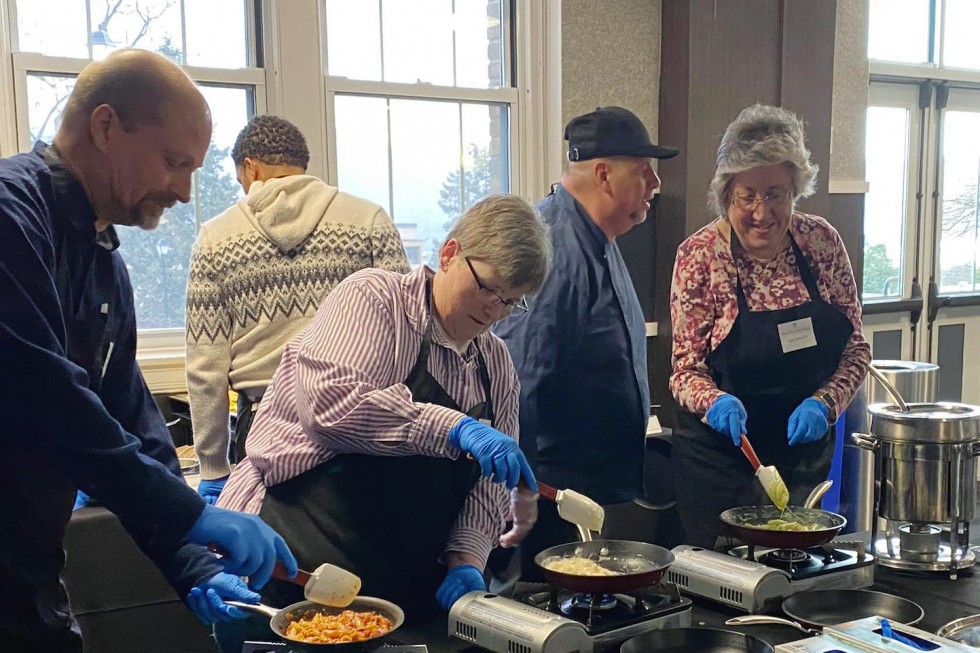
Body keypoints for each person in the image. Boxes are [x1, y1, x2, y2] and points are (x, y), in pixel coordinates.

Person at [0, 49, 298, 653]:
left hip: (26, 576)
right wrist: (188, 513)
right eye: (173, 162)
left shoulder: (103, 260)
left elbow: (131, 420)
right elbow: (46, 396)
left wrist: (193, 563)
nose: (186, 193)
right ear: (106, 126)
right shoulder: (10, 216)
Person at [214, 194, 550, 650]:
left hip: (400, 592)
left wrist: (467, 556)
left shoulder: (496, 367)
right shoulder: (374, 300)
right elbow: (330, 408)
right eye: (488, 287)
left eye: (511, 301)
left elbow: (490, 483)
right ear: (450, 253)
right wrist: (451, 428)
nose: (494, 310)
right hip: (287, 568)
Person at [669, 104, 871, 548]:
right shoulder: (699, 257)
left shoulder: (821, 243)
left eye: (775, 193)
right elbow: (685, 369)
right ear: (727, 195)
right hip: (720, 459)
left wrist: (826, 403)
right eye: (747, 195)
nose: (762, 212)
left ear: (796, 190)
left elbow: (855, 349)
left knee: (793, 568)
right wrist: (714, 400)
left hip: (801, 452)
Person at [185, 115, 410, 505]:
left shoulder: (216, 237)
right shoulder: (369, 221)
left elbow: (207, 368)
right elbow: (408, 329)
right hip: (358, 422)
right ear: (301, 164)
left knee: (274, 559)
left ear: (250, 167)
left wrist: (213, 466)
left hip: (264, 430)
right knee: (359, 556)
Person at [494, 106, 677, 578]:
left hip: (583, 491)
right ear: (603, 174)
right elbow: (518, 379)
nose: (655, 182)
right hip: (549, 495)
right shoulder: (554, 248)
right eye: (642, 171)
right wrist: (522, 489)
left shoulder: (599, 237)